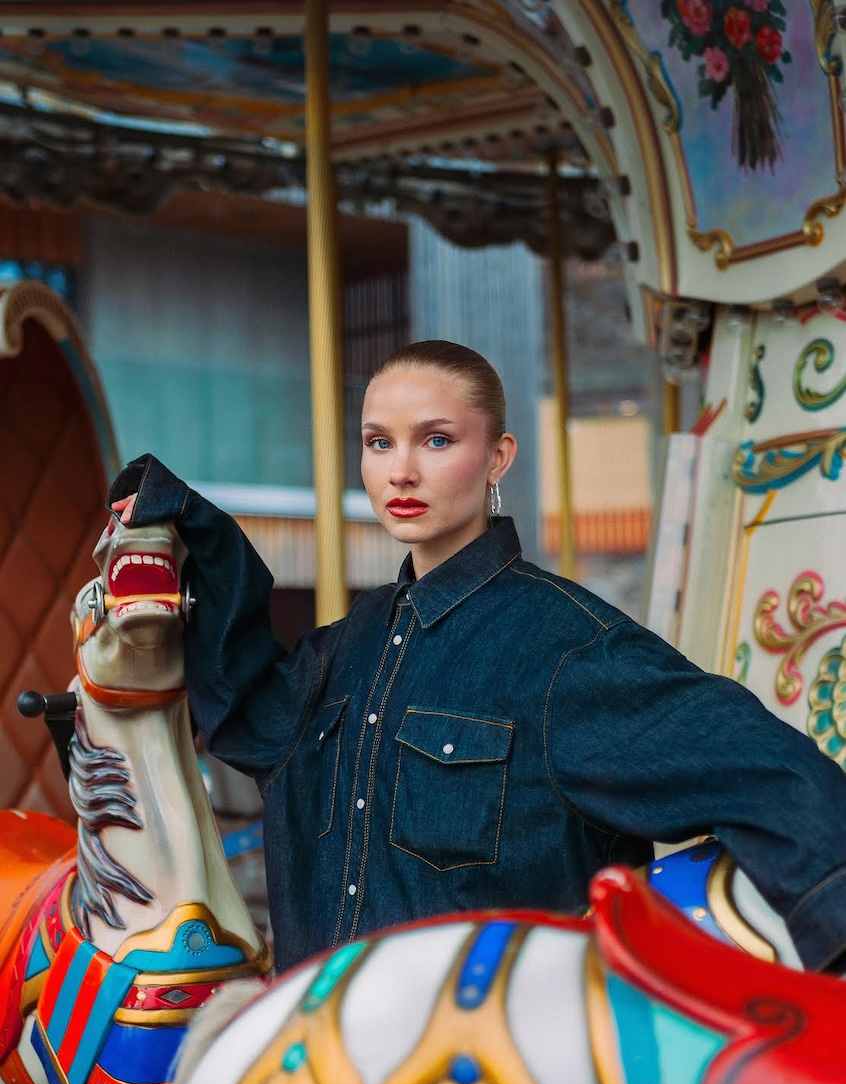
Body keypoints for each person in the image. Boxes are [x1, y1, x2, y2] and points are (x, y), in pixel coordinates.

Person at [109, 340, 846, 976]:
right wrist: (189, 529)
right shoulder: (351, 641)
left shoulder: (568, 650)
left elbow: (780, 780)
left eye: (435, 440)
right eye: (378, 442)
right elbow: (248, 715)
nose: (400, 471)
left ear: (497, 456)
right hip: (319, 1082)